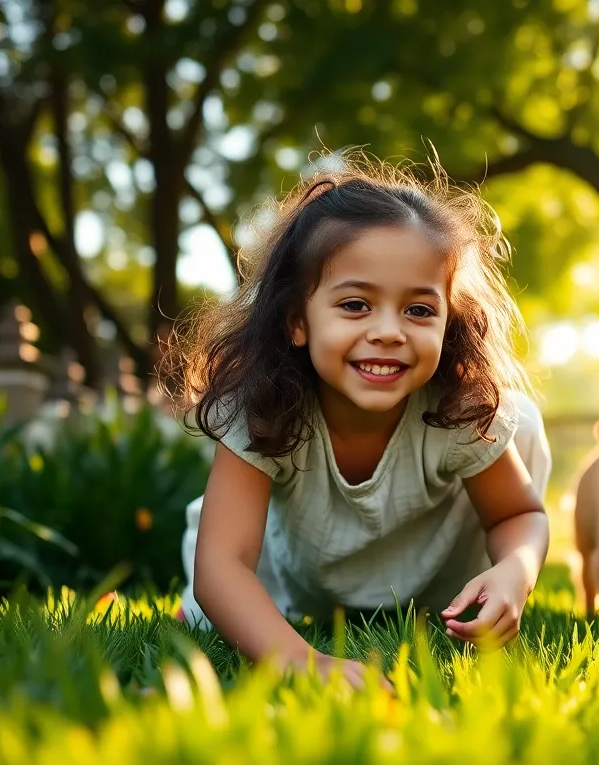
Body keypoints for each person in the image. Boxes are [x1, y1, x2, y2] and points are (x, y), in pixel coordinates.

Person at [160, 151, 552, 690]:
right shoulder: (263, 410)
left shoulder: (459, 409)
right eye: (355, 306)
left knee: (516, 419)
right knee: (219, 599)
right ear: (297, 321)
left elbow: (518, 515)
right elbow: (222, 566)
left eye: (419, 310)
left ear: (449, 321)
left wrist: (516, 572)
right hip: (299, 585)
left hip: (434, 590)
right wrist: (303, 662)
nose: (390, 331)